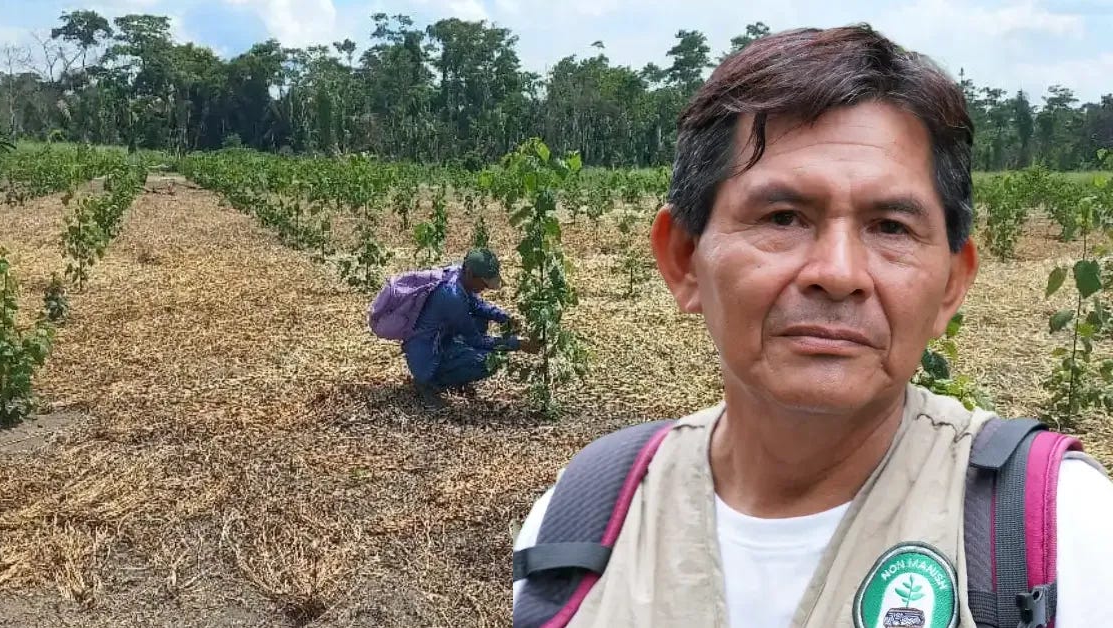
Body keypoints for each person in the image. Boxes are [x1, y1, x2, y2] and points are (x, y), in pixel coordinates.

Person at [512, 25, 1113, 627]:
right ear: (684, 259)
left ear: (952, 283)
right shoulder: (578, 529)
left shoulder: (1068, 539)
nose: (838, 273)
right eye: (783, 217)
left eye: (891, 227)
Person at [404, 248, 539, 408]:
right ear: (470, 273)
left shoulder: (457, 275)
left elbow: (477, 305)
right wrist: (518, 344)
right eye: (484, 282)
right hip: (427, 356)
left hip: (438, 339)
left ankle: (455, 372)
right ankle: (431, 382)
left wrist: (504, 317)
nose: (486, 287)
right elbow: (476, 340)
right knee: (488, 361)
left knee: (480, 319)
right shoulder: (451, 295)